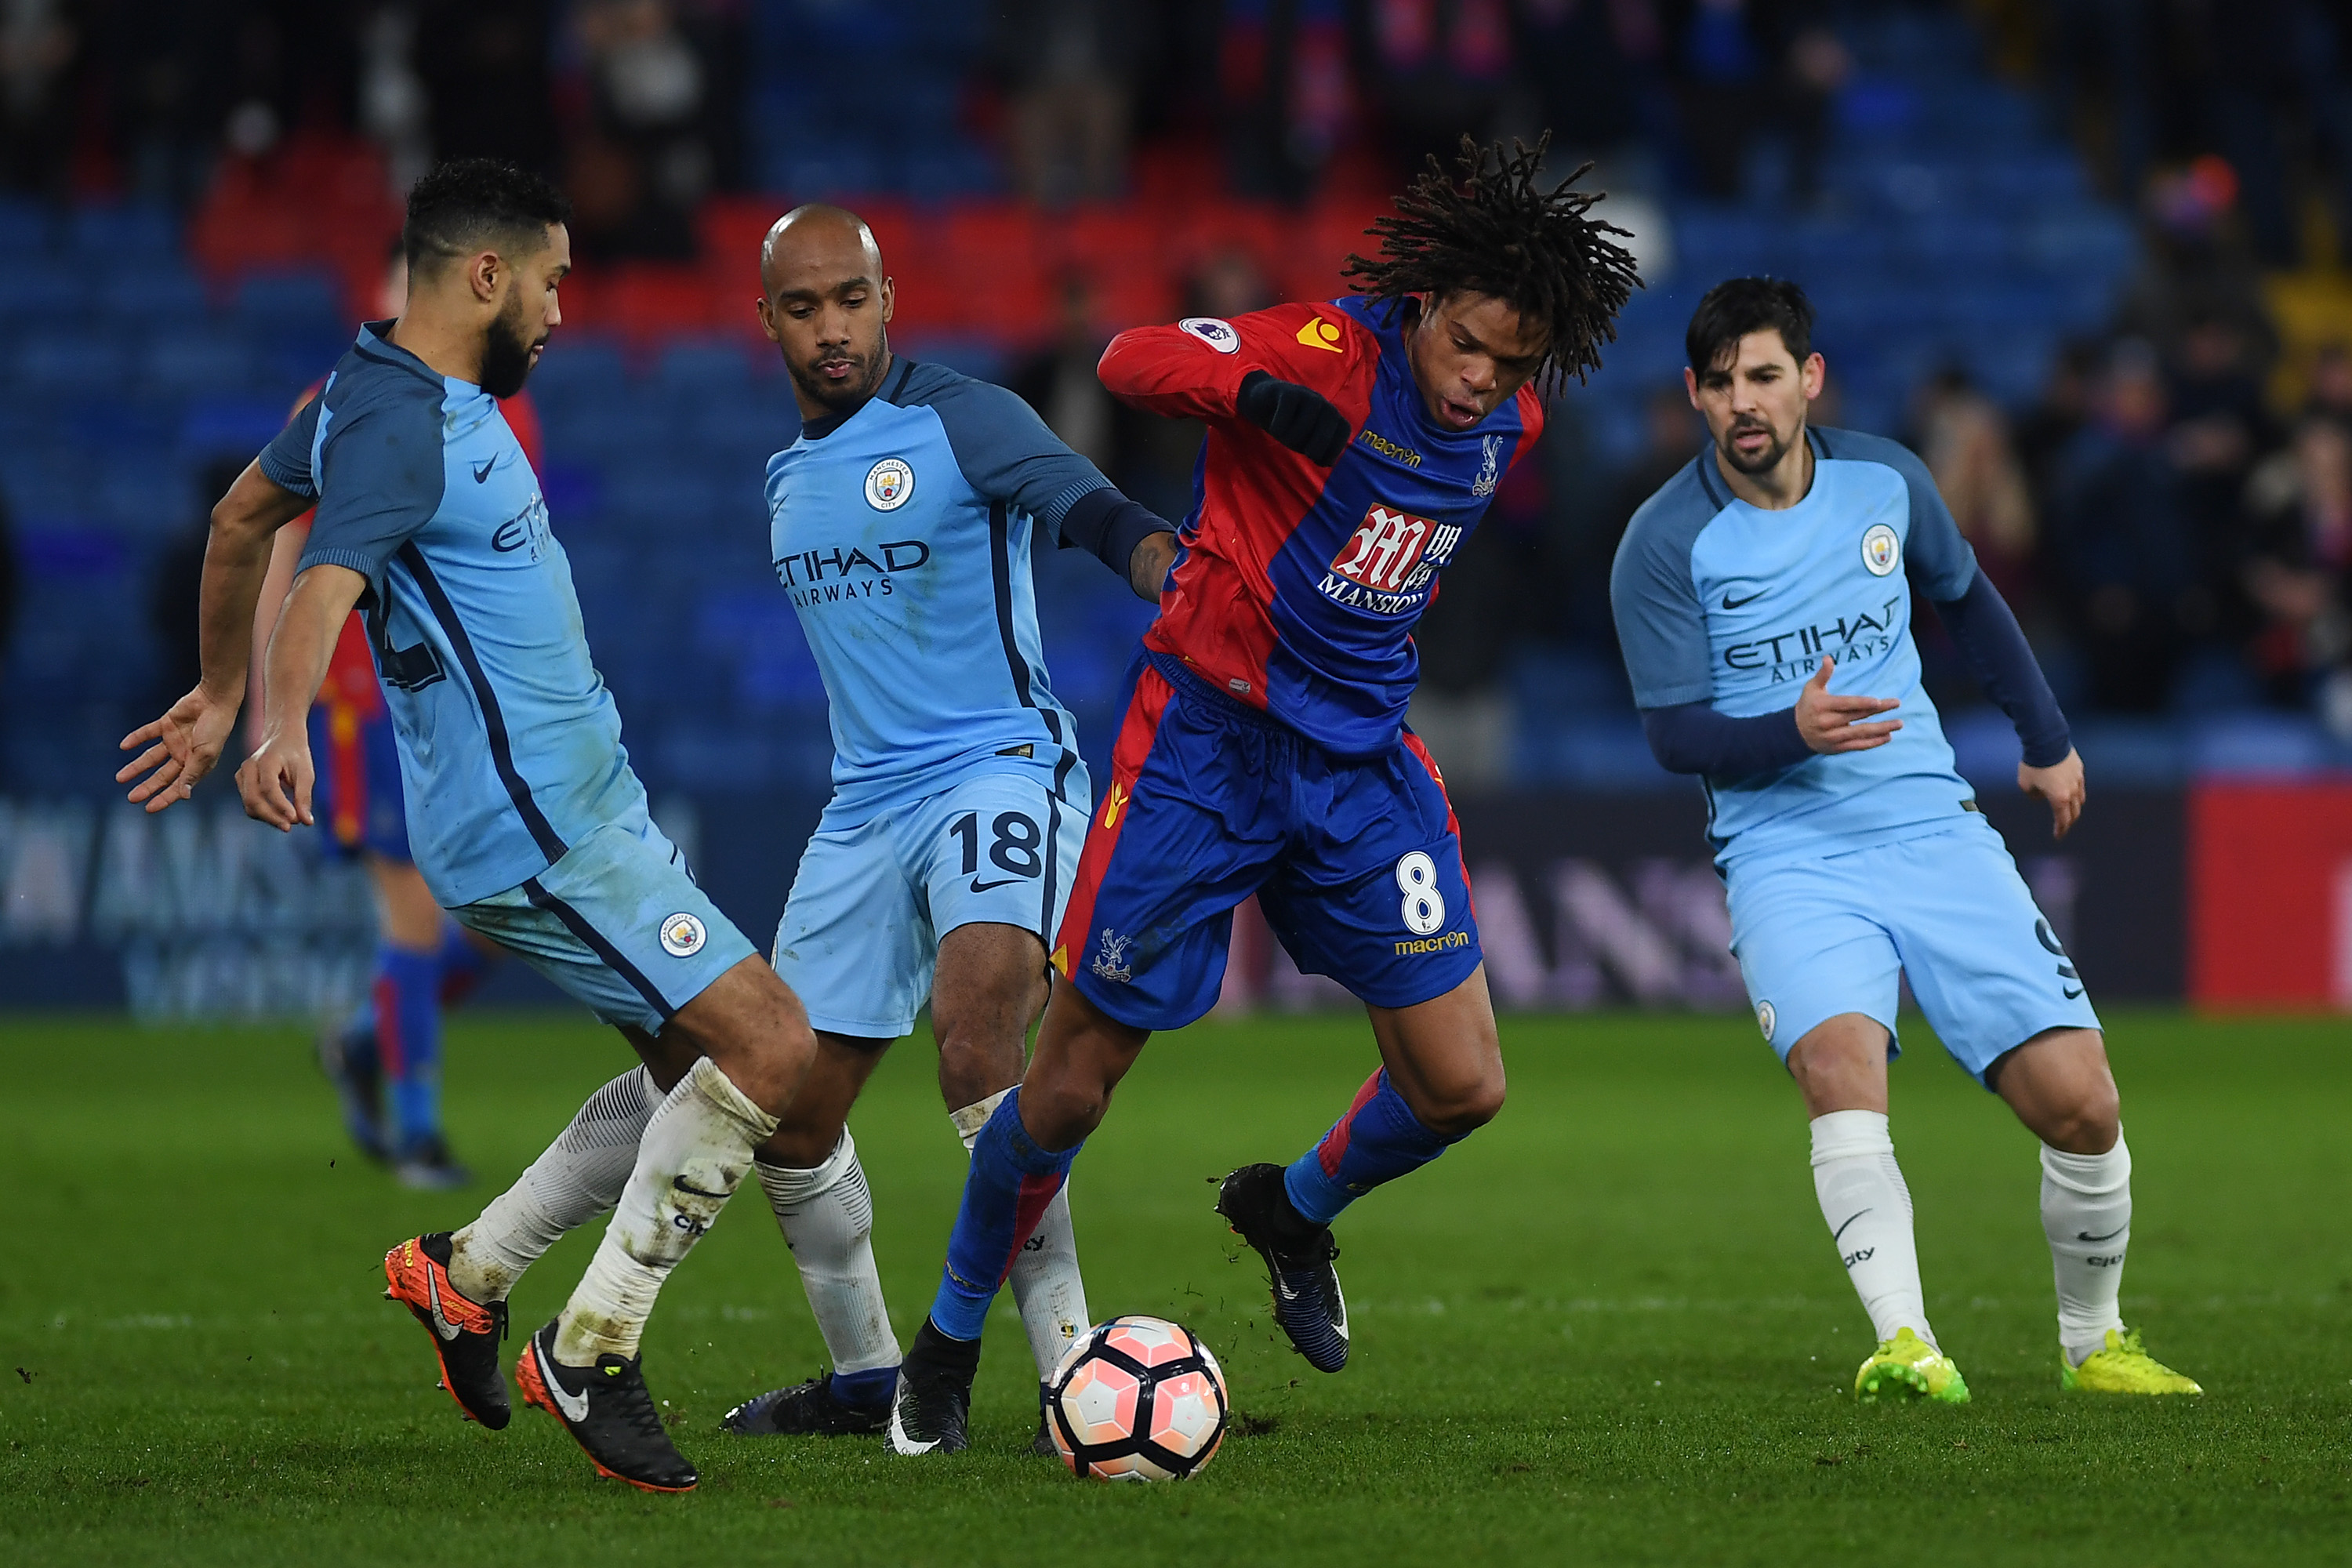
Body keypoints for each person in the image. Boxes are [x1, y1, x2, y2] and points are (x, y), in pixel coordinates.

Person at [369, 204, 1176, 1460]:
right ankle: (861, 1380)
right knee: (766, 1092)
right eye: (802, 309)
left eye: (849, 299)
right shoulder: (785, 478)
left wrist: (1166, 574)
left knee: (980, 1042)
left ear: (887, 296)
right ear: (767, 324)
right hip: (864, 809)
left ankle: (1071, 1375)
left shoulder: (966, 418)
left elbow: (1096, 512)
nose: (831, 328)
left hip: (996, 772)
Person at [885, 136, 1642, 1454]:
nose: (1480, 385)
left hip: (1355, 764)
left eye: (1510, 364)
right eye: (1465, 347)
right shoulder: (1325, 353)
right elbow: (1129, 361)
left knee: (1464, 1085)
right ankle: (942, 1355)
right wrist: (1256, 393)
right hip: (1207, 749)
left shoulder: (1508, 418)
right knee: (1065, 1092)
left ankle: (1291, 1210)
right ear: (1421, 309)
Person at [115, 158, 820, 1494]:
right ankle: (593, 1349)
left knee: (702, 1080)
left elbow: (238, 518)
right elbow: (323, 575)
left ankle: (469, 1275)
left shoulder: (368, 392)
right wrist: (268, 721)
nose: (563, 310)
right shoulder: (401, 427)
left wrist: (214, 689)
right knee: (775, 1052)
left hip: (576, 809)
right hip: (539, 832)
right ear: (485, 275)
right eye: (551, 280)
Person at [1610, 277, 2201, 1403]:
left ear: (1810, 380)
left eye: (1767, 376)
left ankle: (2095, 1344)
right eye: (1724, 381)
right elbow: (1673, 733)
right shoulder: (1663, 544)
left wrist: (2047, 738)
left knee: (2083, 1101)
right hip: (1787, 853)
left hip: (1933, 827)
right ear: (1695, 393)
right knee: (1841, 1068)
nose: (1746, 401)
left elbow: (1968, 600)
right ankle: (1907, 1344)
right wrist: (1789, 730)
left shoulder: (1888, 482)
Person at [248, 241, 535, 1187]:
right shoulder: (333, 406)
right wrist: (269, 702)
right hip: (363, 700)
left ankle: (368, 1038)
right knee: (412, 911)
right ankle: (417, 1134)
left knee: (503, 916)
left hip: (472, 703)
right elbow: (278, 555)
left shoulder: (511, 410)